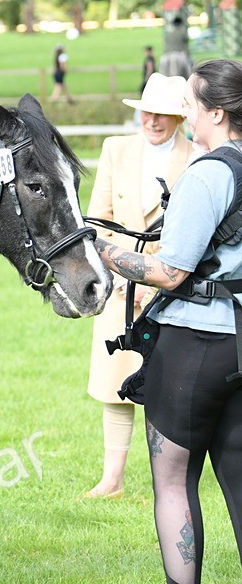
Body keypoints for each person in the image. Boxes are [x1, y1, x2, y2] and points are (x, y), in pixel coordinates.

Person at [93, 59, 242, 583]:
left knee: (174, 482)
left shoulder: (210, 173)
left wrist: (102, 250)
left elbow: (171, 271)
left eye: (192, 103)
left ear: (217, 113)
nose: (186, 112)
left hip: (195, 346)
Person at [83, 74, 194, 500]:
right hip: (118, 283)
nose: (152, 120)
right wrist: (115, 275)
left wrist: (161, 280)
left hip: (172, 283)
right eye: (147, 110)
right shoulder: (116, 149)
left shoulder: (198, 156)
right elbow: (96, 219)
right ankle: (113, 479)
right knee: (115, 381)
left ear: (179, 117)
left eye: (163, 113)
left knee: (167, 383)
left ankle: (168, 478)